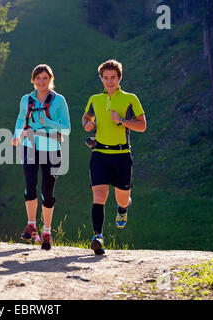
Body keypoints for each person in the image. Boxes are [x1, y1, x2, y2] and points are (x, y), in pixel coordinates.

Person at [82, 59, 146, 255]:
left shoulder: (130, 99)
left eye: (113, 78)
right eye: (106, 78)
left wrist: (123, 121)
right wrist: (87, 125)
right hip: (99, 153)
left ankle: (123, 208)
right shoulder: (95, 99)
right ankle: (97, 237)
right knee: (99, 195)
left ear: (120, 78)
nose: (110, 82)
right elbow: (87, 117)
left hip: (121, 155)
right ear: (101, 78)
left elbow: (142, 126)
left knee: (122, 197)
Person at [12, 64, 71, 250]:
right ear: (33, 80)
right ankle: (31, 226)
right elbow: (22, 118)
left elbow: (67, 129)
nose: (41, 81)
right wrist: (16, 134)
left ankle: (47, 232)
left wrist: (49, 122)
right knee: (30, 187)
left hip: (52, 148)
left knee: (47, 192)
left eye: (45, 78)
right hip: (30, 146)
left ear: (50, 79)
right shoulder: (26, 100)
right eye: (38, 78)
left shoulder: (59, 101)